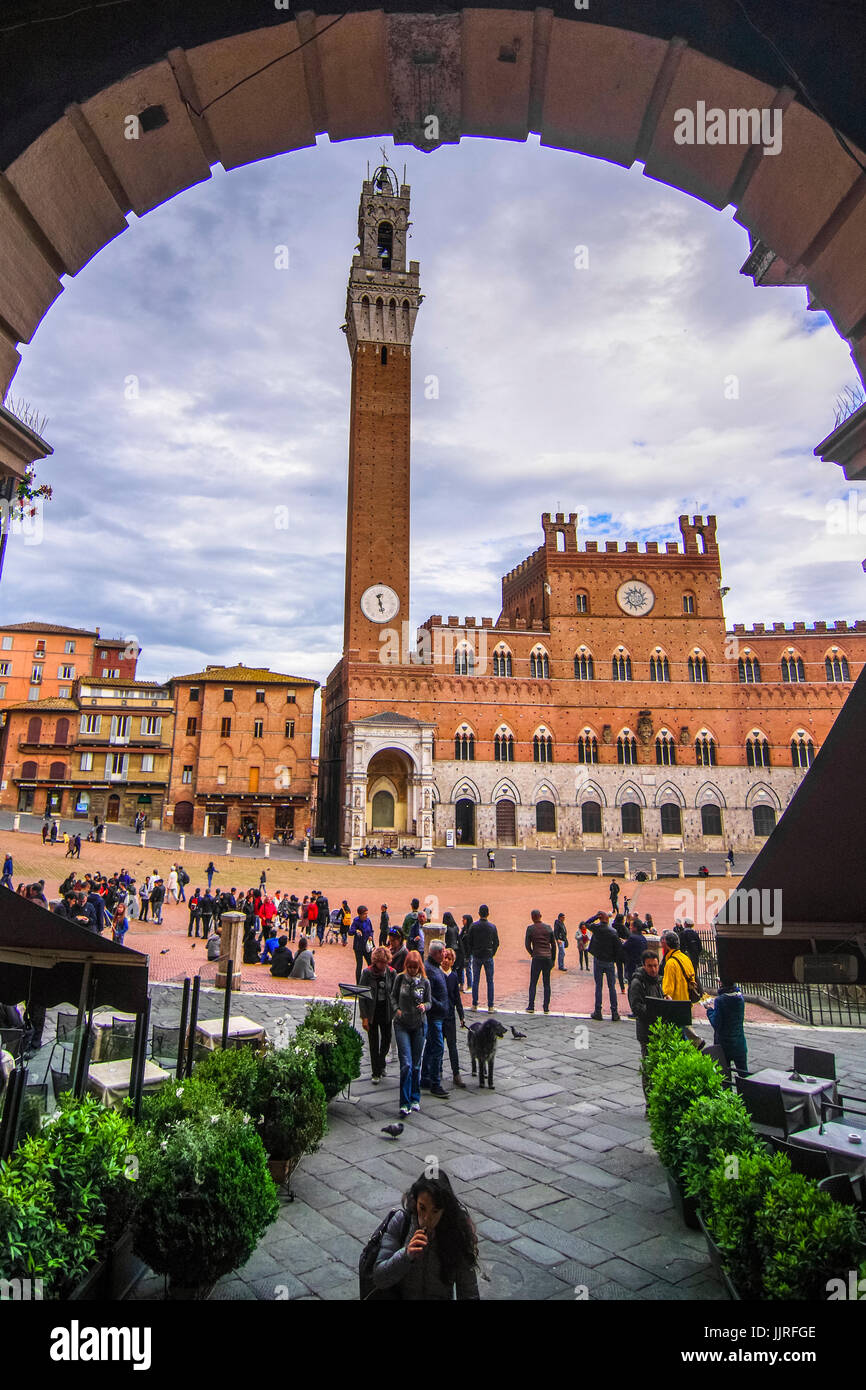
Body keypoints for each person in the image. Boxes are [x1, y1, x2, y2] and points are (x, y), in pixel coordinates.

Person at [372, 1171, 480, 1301]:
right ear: (415, 1201)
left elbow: (468, 1290)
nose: (427, 1219)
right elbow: (379, 1278)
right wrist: (406, 1255)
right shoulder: (401, 1222)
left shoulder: (457, 1232)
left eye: (435, 1211)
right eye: (422, 1208)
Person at [391, 949, 431, 1117]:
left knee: (416, 1064)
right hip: (402, 1024)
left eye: (415, 967)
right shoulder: (400, 979)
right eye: (410, 967)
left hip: (419, 1025)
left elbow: (429, 1001)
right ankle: (404, 1102)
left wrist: (425, 1006)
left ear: (419, 967)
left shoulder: (425, 982)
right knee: (406, 1064)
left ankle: (415, 1098)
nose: (412, 970)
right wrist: (397, 1010)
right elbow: (392, 997)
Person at [628, 951, 664, 1107]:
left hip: (659, 1030)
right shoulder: (638, 983)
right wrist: (654, 1012)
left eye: (655, 965)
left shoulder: (656, 981)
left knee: (659, 1066)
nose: (654, 969)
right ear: (644, 965)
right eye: (650, 966)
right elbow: (636, 1008)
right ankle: (650, 1103)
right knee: (649, 1068)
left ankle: (657, 1099)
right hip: (646, 1031)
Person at [359, 945, 396, 1082]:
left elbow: (395, 992)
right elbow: (362, 996)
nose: (382, 965)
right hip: (372, 1011)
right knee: (373, 1042)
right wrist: (364, 1017)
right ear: (375, 961)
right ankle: (376, 1072)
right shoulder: (367, 973)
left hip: (386, 1010)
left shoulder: (391, 973)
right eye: (380, 962)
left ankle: (381, 1063)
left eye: (384, 962)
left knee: (386, 1039)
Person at [420, 940, 450, 1098]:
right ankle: (435, 1083)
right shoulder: (430, 970)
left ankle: (425, 1078)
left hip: (438, 1014)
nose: (445, 954)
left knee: (431, 1046)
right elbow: (427, 994)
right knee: (438, 1047)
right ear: (437, 953)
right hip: (434, 1016)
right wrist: (440, 1005)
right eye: (443, 952)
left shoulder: (434, 968)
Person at [705, 980, 748, 1076]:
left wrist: (709, 1010)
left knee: (724, 1077)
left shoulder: (720, 1000)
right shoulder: (740, 998)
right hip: (739, 1043)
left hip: (724, 1045)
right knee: (744, 1074)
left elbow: (716, 1023)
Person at [586, 911, 621, 1021]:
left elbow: (586, 923)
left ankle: (598, 1011)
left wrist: (595, 917)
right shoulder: (613, 931)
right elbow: (618, 948)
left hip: (599, 960)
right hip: (609, 961)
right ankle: (614, 1012)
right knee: (612, 988)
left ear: (600, 918)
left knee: (599, 986)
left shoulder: (597, 928)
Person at [440, 947, 466, 1088]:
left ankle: (456, 1073)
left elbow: (457, 998)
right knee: (438, 1046)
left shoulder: (453, 976)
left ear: (452, 961)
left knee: (452, 1046)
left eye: (449, 959)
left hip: (450, 1016)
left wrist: (461, 1016)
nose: (446, 961)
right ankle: (437, 1071)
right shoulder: (437, 973)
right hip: (438, 1016)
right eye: (445, 957)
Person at [466, 905, 498, 1011]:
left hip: (477, 955)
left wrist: (472, 951)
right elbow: (496, 942)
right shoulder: (492, 927)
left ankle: (475, 1004)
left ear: (479, 913)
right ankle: (490, 1006)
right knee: (490, 981)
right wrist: (492, 952)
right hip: (488, 955)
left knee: (476, 980)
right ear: (488, 914)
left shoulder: (474, 926)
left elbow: (469, 941)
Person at [525, 909, 556, 1013]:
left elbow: (527, 945)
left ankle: (531, 1006)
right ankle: (546, 1007)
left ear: (532, 917)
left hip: (537, 957)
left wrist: (532, 953)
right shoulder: (548, 928)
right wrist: (553, 959)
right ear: (540, 916)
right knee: (546, 983)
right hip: (547, 957)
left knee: (533, 982)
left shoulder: (530, 929)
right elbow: (554, 945)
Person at [661, 931, 698, 1006]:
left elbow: (668, 989)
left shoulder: (670, 963)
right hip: (687, 1002)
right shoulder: (686, 958)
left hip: (676, 1004)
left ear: (667, 945)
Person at [349, 905, 374, 984]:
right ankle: (358, 983)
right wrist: (356, 931)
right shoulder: (356, 921)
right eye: (364, 914)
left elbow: (371, 930)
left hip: (367, 947)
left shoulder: (368, 920)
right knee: (359, 965)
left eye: (367, 914)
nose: (366, 915)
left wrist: (371, 936)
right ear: (360, 914)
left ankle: (371, 982)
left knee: (370, 964)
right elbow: (350, 932)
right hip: (358, 947)